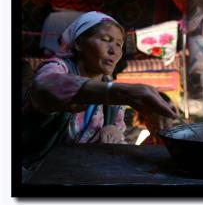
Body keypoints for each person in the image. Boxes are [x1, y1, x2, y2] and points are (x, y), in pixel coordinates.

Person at [22, 11, 177, 181]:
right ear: (79, 43)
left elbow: (116, 136)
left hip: (78, 174)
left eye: (119, 44)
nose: (114, 51)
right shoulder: (58, 68)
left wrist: (113, 130)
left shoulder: (110, 91)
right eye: (106, 40)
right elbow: (45, 86)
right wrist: (119, 92)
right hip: (35, 175)